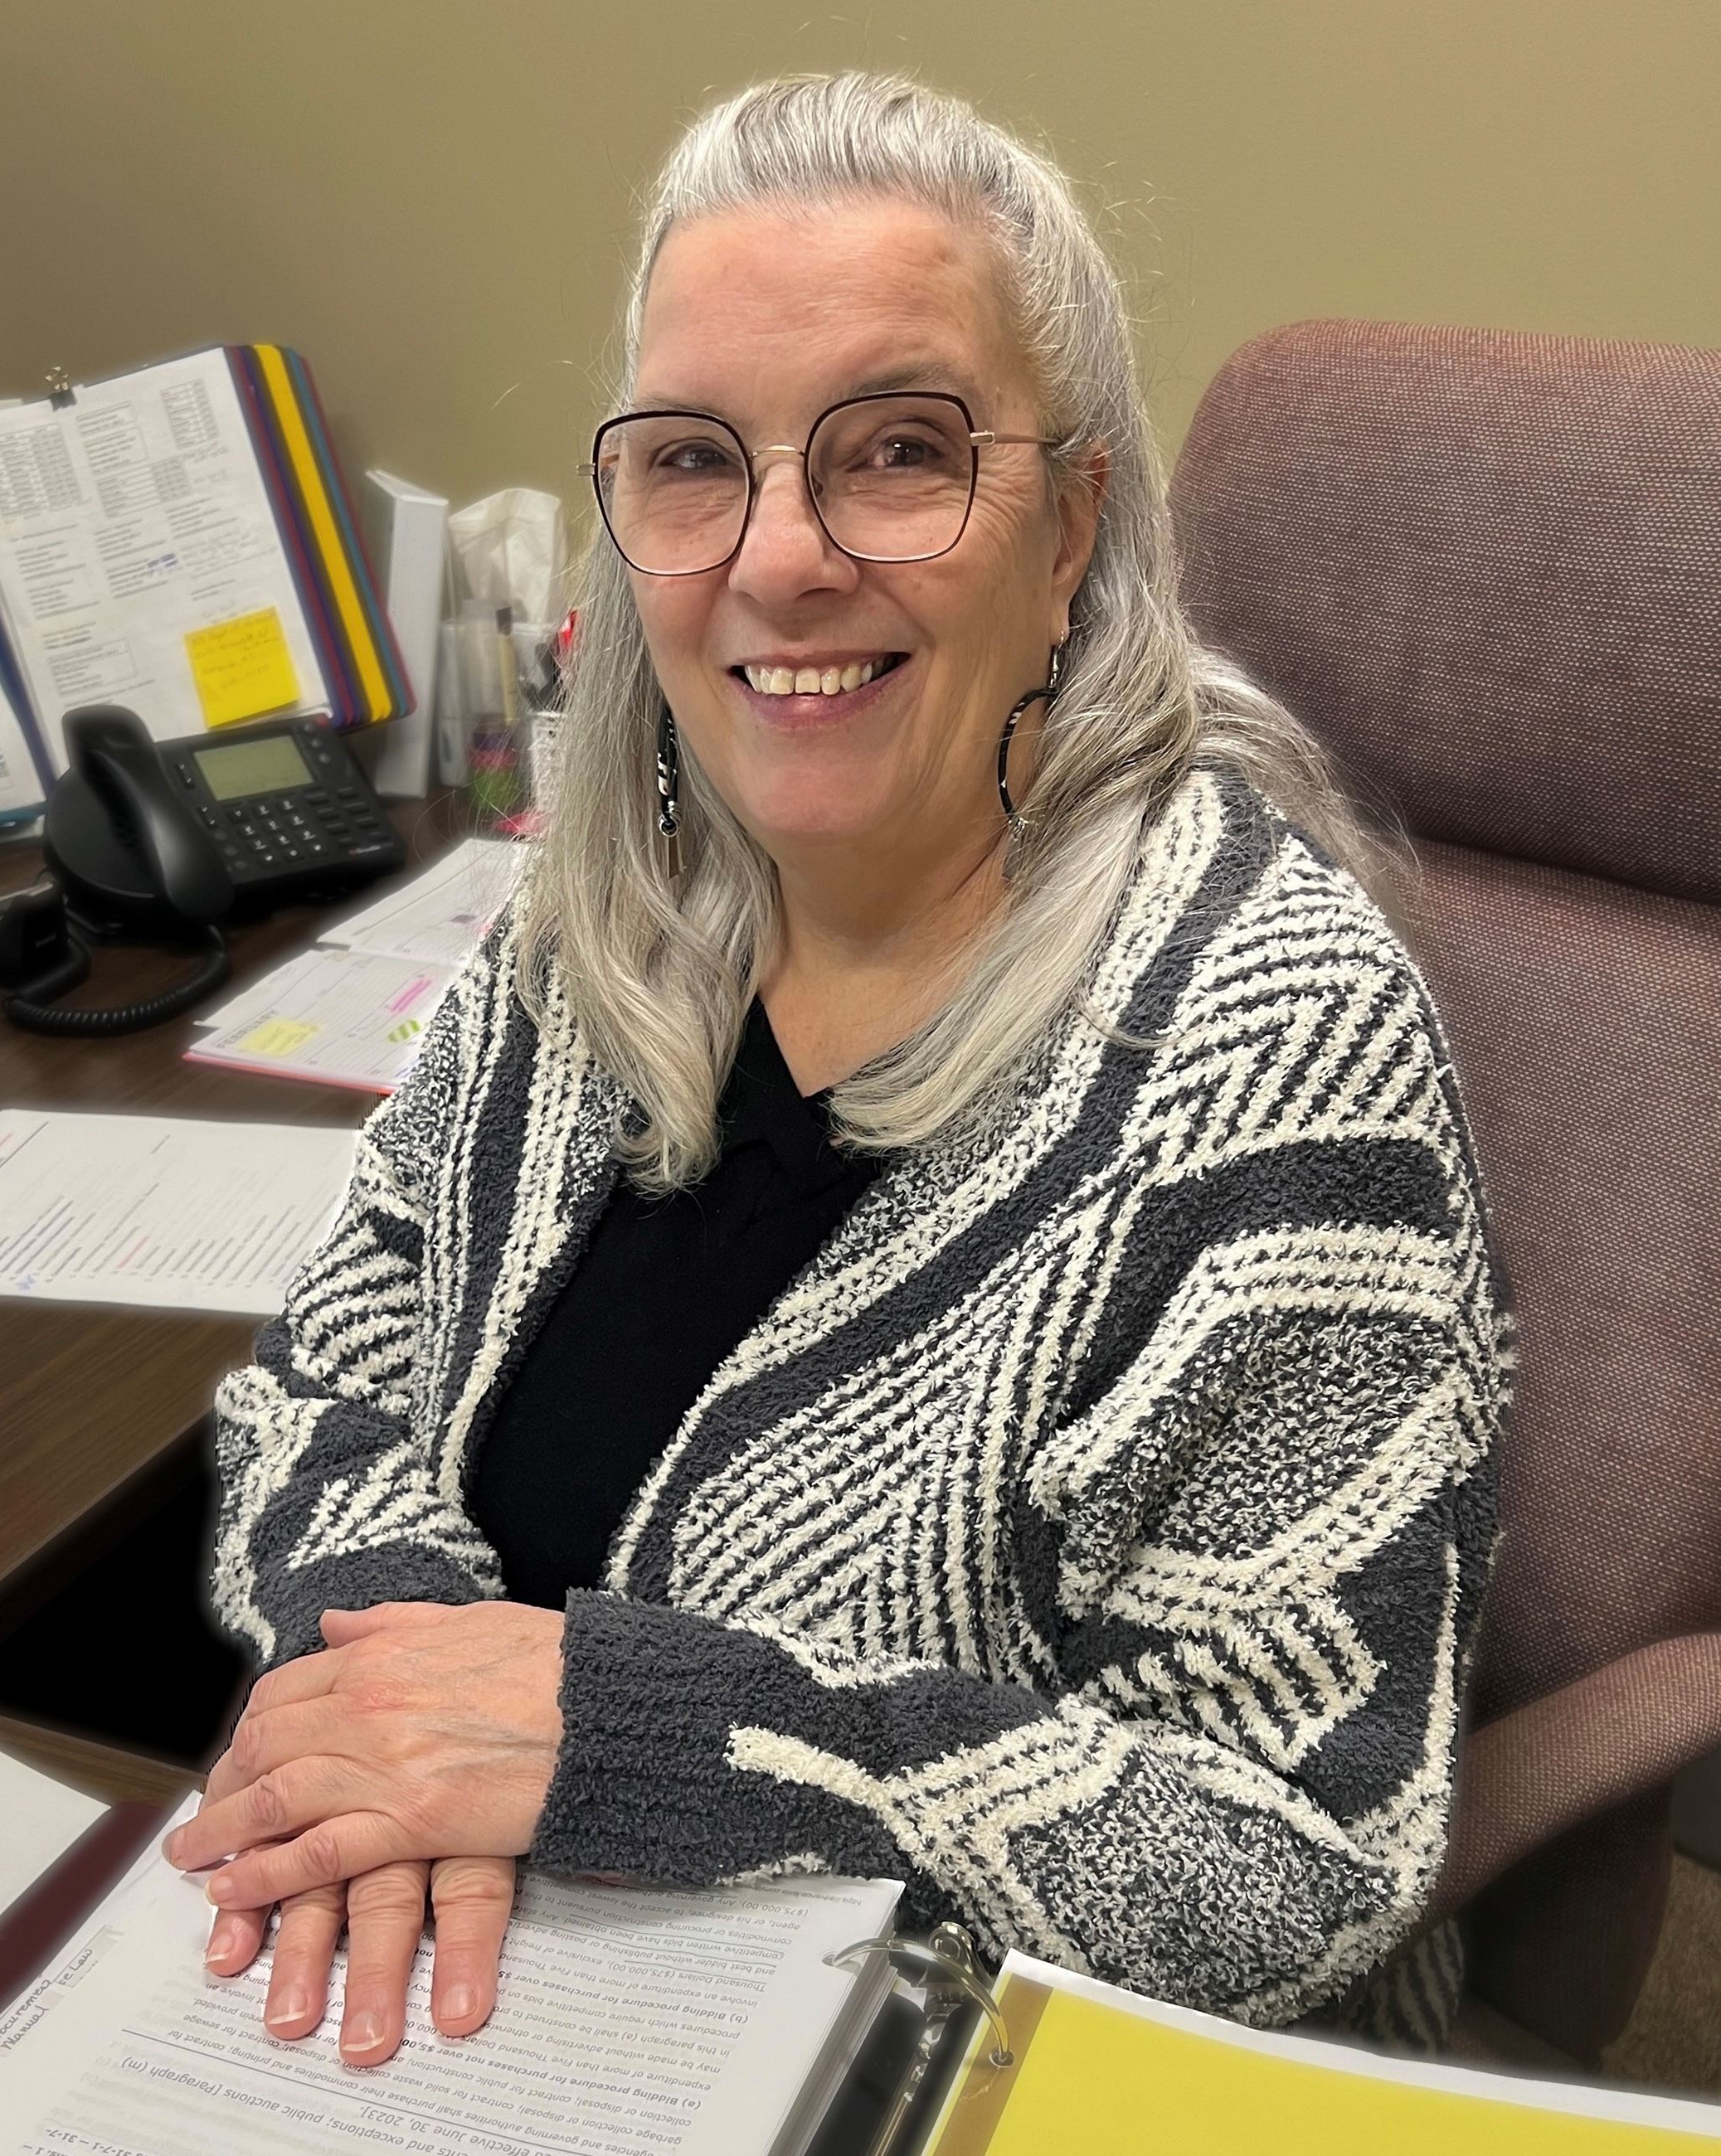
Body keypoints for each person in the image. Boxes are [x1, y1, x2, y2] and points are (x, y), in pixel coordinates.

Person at [163, 71, 1510, 2069]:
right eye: (696, 462)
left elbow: (1289, 1850)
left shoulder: (1269, 1047)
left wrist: (645, 1737)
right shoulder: (603, 917)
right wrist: (398, 1681)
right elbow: (334, 1368)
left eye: (900, 452)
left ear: (1070, 528)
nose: (780, 561)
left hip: (959, 2064)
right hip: (485, 2014)